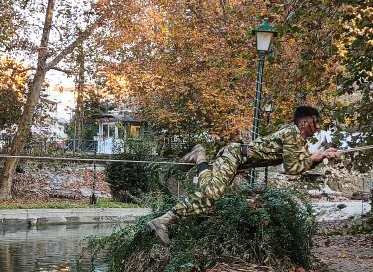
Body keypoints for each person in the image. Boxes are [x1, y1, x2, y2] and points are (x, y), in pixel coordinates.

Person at [147, 105, 342, 245]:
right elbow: (293, 169)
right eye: (316, 123)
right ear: (305, 122)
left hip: (237, 161)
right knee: (212, 194)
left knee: (209, 193)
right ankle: (165, 217)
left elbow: (300, 160)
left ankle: (198, 158)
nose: (318, 127)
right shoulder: (292, 135)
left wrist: (323, 155)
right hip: (234, 155)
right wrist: (315, 159)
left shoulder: (296, 139)